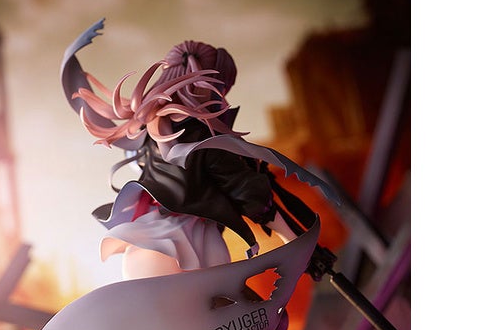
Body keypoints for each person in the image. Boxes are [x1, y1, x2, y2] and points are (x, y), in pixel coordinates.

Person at [61, 20, 334, 281]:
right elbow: (248, 194)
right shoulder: (203, 138)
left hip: (142, 242)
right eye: (221, 89)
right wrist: (295, 242)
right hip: (189, 247)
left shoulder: (144, 131)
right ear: (210, 86)